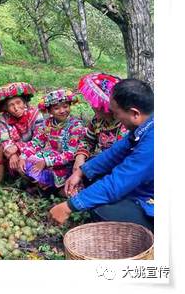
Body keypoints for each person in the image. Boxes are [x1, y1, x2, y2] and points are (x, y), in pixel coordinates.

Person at [49, 79, 154, 231]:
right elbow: (115, 152)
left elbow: (119, 180)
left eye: (116, 113)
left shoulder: (153, 143)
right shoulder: (145, 126)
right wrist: (81, 171)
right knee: (92, 180)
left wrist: (69, 206)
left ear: (134, 114)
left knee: (103, 209)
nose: (115, 117)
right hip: (138, 184)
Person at [19, 89, 85, 192]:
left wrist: (46, 162)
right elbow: (37, 142)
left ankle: (50, 187)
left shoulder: (76, 126)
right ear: (49, 111)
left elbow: (70, 154)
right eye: (56, 108)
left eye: (65, 106)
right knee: (26, 163)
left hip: (66, 163)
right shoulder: (46, 124)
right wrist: (23, 156)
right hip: (50, 156)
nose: (62, 111)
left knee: (51, 176)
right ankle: (42, 185)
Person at [74, 72, 128, 174]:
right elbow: (87, 140)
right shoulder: (97, 121)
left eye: (95, 103)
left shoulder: (125, 126)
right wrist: (80, 157)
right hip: (99, 165)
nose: (92, 105)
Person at [0, 82, 43, 175]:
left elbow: (39, 140)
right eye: (11, 105)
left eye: (18, 103)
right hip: (13, 151)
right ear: (6, 108)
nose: (16, 108)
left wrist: (17, 147)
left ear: (24, 102)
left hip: (34, 149)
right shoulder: (5, 117)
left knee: (29, 164)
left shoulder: (36, 114)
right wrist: (12, 154)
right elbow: (5, 139)